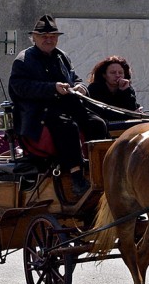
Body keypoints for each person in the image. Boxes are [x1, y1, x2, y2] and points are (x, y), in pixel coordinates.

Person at [8, 14, 107, 198]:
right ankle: (77, 178)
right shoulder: (23, 60)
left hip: (68, 106)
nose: (49, 39)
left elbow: (74, 78)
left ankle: (99, 170)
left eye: (52, 36)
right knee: (67, 127)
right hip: (39, 113)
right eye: (44, 36)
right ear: (34, 38)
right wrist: (52, 88)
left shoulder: (62, 56)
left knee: (97, 123)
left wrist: (81, 87)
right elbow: (20, 88)